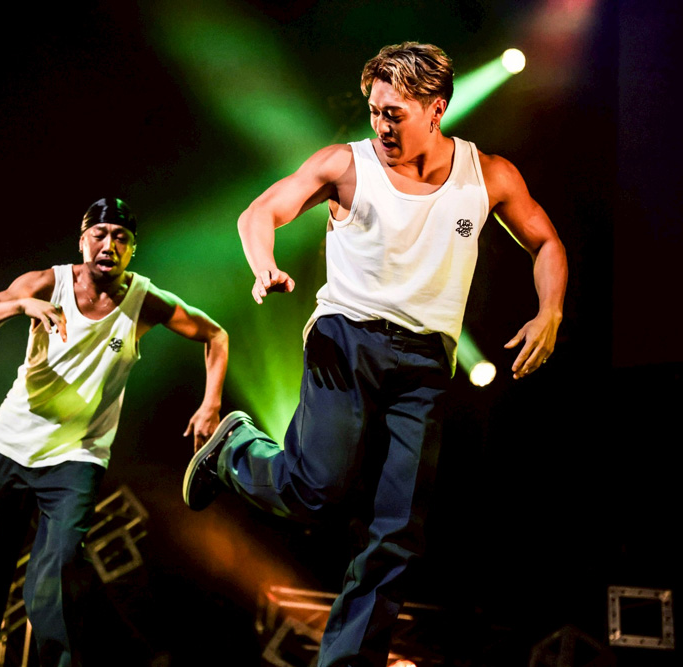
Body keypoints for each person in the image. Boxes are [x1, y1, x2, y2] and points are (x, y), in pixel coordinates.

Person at [183, 42, 567, 666]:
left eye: (396, 114)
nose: (382, 126)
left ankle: (348, 661)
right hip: (347, 339)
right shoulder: (346, 165)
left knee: (399, 531)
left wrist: (550, 312)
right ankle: (235, 450)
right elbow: (260, 212)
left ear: (437, 109)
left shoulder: (488, 175)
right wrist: (263, 266)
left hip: (426, 366)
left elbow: (545, 242)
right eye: (375, 111)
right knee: (317, 493)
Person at [0, 197, 228, 667]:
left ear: (132, 250)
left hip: (78, 456)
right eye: (100, 235)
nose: (108, 245)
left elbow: (215, 335)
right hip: (10, 445)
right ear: (82, 242)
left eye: (121, 238)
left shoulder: (144, 301)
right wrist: (22, 304)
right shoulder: (47, 282)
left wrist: (210, 404)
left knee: (56, 577)